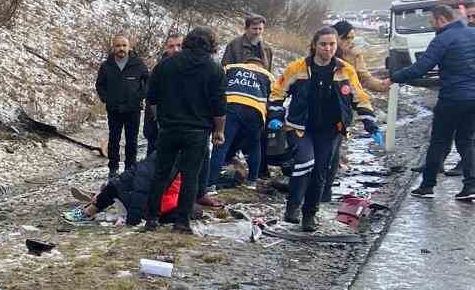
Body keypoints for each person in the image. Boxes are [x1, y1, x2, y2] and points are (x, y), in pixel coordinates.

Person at [273, 26, 376, 231]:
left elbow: (359, 97)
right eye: (323, 44)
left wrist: (369, 121)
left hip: (330, 129)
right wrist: (275, 115)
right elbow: (278, 92)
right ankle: (292, 207)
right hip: (300, 126)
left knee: (320, 171)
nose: (328, 48)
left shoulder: (345, 69)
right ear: (314, 45)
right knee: (304, 162)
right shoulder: (298, 68)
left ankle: (309, 214)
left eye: (332, 44)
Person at [386, 2, 475, 200]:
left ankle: (427, 186)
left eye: (432, 22)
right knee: (466, 141)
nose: (432, 25)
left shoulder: (443, 39)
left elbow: (421, 67)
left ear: (440, 19)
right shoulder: (472, 33)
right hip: (473, 99)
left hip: (452, 99)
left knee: (438, 141)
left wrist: (394, 77)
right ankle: (471, 186)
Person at [143, 26, 225, 233]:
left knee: (161, 173)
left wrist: (159, 120)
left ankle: (151, 219)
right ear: (211, 45)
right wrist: (219, 131)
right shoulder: (214, 69)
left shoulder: (165, 65)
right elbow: (219, 107)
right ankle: (182, 222)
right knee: (191, 177)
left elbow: (152, 98)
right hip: (197, 132)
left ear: (187, 41)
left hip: (169, 128)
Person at [209, 48, 274, 190]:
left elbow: (216, 82)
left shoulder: (232, 67)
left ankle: (210, 184)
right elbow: (275, 97)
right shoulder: (268, 75)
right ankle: (252, 181)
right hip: (255, 111)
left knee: (221, 145)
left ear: (246, 63)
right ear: (261, 65)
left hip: (231, 107)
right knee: (254, 146)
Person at [64, 154, 182, 227]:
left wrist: (132, 221)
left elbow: (142, 191)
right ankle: (91, 208)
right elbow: (130, 180)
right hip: (157, 201)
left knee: (116, 189)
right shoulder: (157, 159)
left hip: (161, 207)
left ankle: (96, 207)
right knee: (114, 187)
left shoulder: (173, 161)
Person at [95, 35, 148, 176]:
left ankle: (130, 168)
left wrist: (140, 96)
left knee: (132, 141)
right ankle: (113, 168)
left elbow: (148, 82)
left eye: (124, 45)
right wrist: (107, 99)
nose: (121, 49)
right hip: (114, 110)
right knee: (114, 139)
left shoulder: (138, 64)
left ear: (129, 47)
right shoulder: (106, 66)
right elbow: (99, 85)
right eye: (118, 46)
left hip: (133, 110)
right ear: (113, 48)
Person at [143, 32, 184, 156]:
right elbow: (150, 97)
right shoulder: (159, 69)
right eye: (171, 46)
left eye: (179, 45)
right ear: (167, 47)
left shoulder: (192, 68)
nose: (176, 49)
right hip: (159, 124)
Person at [333, 21, 390, 95]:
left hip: (350, 97)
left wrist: (383, 85)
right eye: (346, 38)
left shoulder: (355, 54)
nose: (350, 41)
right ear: (335, 38)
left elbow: (365, 79)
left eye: (352, 38)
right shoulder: (326, 53)